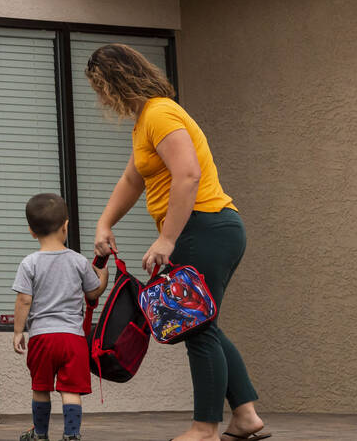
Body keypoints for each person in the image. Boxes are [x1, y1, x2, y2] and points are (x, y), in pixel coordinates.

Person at [85, 44, 270, 441]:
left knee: (196, 328)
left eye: (99, 88)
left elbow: (188, 175)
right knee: (205, 323)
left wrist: (167, 239)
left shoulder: (160, 113)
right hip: (207, 228)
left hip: (202, 227)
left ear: (112, 82)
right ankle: (246, 417)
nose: (100, 99)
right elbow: (133, 180)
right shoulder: (146, 121)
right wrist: (104, 222)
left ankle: (204, 428)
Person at [12, 193, 109, 441]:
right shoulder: (78, 261)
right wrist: (104, 274)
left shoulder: (29, 263)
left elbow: (24, 300)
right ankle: (71, 435)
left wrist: (18, 331)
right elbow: (93, 291)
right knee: (70, 390)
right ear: (66, 226)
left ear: (32, 231)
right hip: (72, 339)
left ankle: (40, 434)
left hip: (43, 338)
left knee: (41, 388)